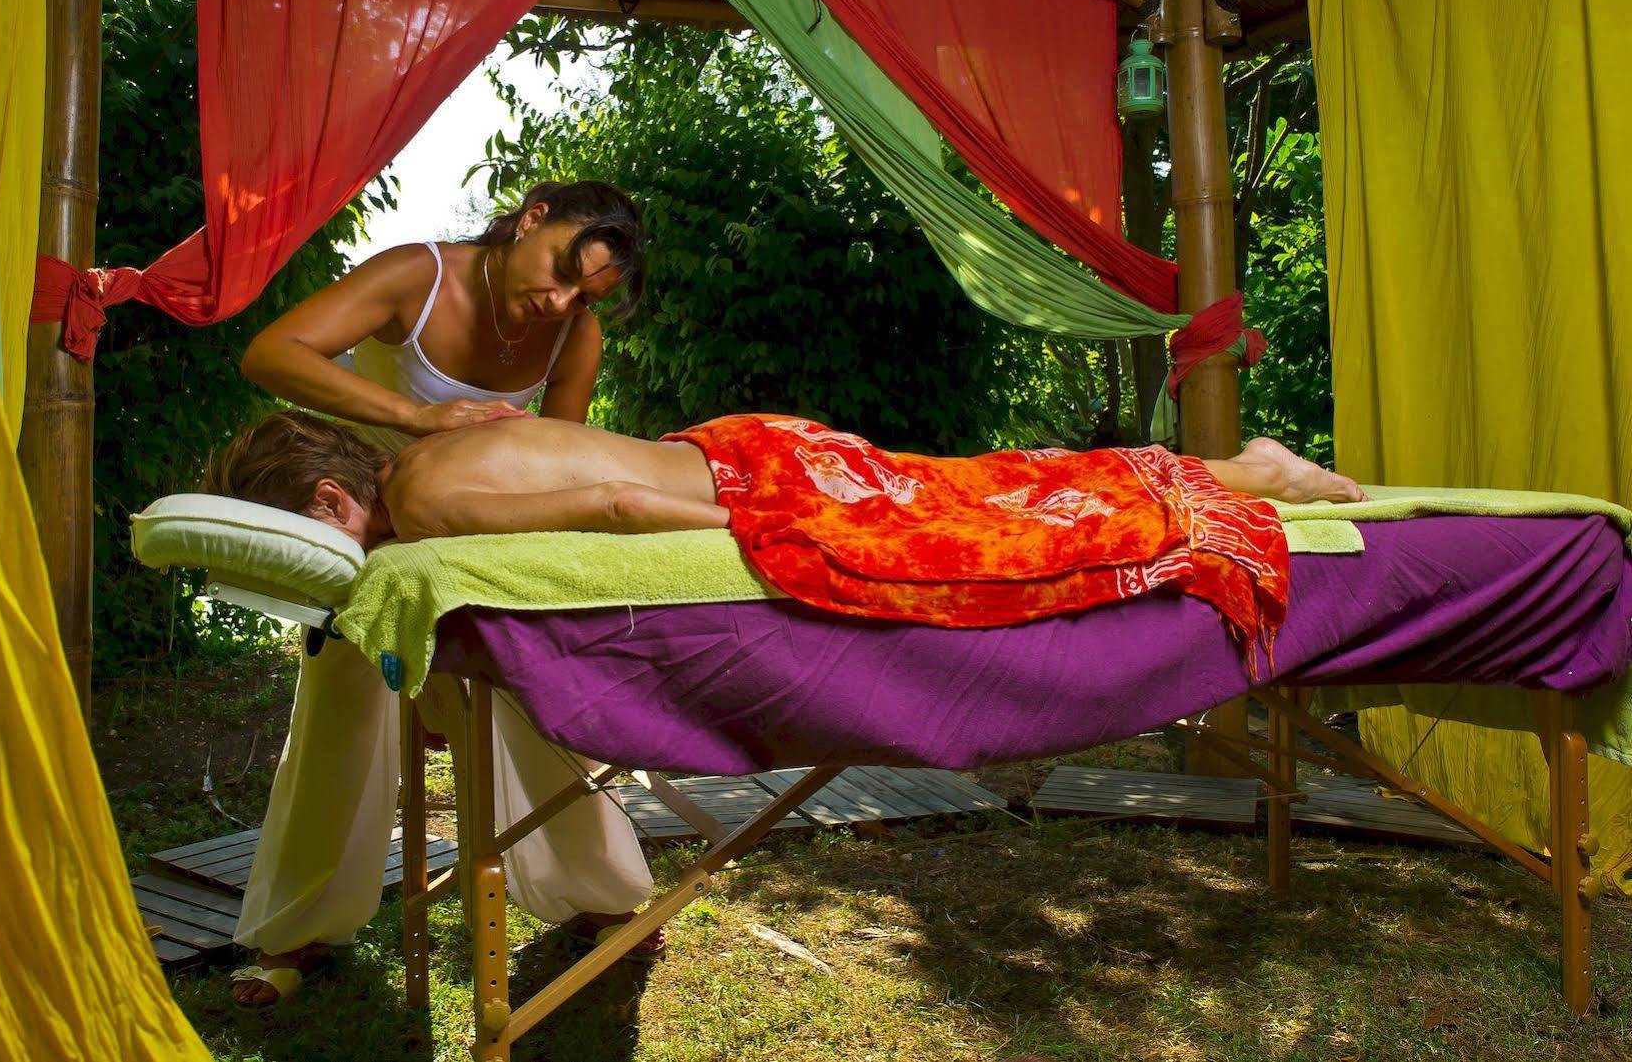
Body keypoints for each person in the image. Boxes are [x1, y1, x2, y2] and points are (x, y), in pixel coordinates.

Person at [224, 181, 660, 1007]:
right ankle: (302, 927)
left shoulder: (573, 333)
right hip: (369, 525)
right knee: (340, 707)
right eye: (563, 269)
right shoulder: (414, 278)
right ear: (532, 215)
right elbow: (272, 353)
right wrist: (416, 417)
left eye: (585, 293)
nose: (560, 300)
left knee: (529, 693)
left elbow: (560, 455)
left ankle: (597, 891)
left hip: (475, 537)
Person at [207, 408, 1368, 662]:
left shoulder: (424, 511)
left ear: (327, 504)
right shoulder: (430, 452)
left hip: (742, 480)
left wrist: (763, 533)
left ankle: (1238, 476)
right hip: (737, 439)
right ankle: (1229, 470)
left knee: (974, 520)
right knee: (980, 488)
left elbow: (613, 510)